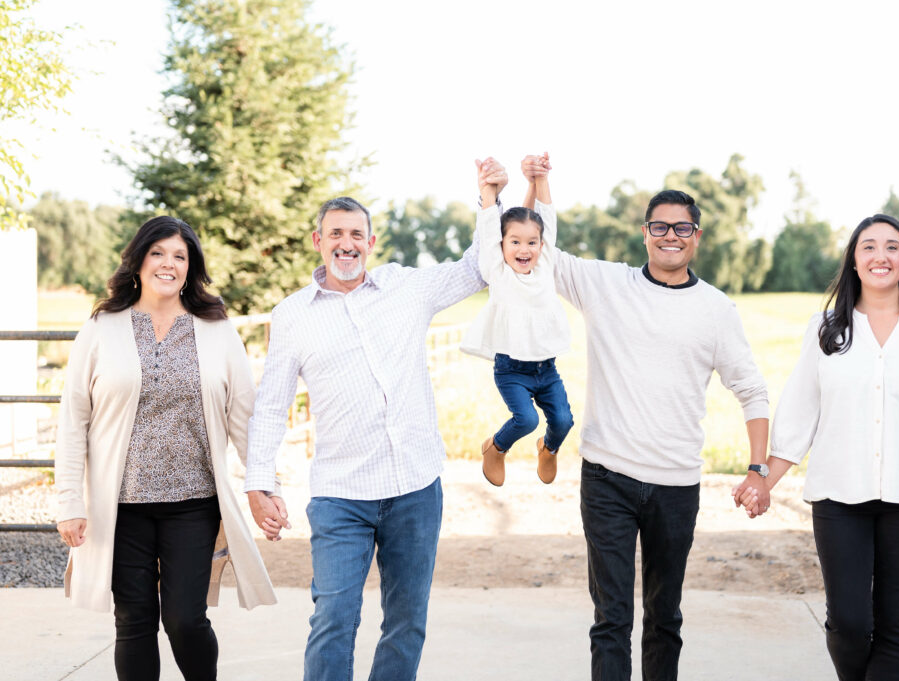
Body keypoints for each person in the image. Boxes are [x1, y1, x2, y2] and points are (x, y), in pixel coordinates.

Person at [243, 166, 503, 681]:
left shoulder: (407, 288)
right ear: (318, 241)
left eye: (356, 234)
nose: (346, 244)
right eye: (335, 234)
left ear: (371, 241)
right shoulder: (293, 314)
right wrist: (258, 482)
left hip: (415, 487)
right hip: (342, 493)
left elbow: (478, 267)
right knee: (334, 620)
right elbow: (271, 405)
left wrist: (489, 201)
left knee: (406, 622)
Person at [522, 155, 771, 680]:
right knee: (610, 618)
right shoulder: (606, 285)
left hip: (676, 486)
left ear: (696, 236)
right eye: (661, 227)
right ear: (645, 233)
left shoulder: (715, 308)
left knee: (664, 618)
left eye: (682, 228)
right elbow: (539, 250)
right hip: (606, 478)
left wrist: (759, 469)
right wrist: (539, 183)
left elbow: (752, 391)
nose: (671, 236)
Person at [737, 214, 899, 680]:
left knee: (896, 628)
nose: (881, 256)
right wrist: (764, 481)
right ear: (854, 262)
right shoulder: (827, 330)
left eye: (892, 247)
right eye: (868, 247)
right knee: (850, 623)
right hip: (839, 498)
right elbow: (798, 415)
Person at [55, 216, 278, 681]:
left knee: (184, 619)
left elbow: (245, 418)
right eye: (158, 253)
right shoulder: (101, 328)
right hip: (120, 506)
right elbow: (73, 420)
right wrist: (69, 503)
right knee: (133, 622)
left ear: (190, 267)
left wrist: (264, 487)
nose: (168, 264)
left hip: (193, 505)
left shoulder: (215, 328)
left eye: (180, 256)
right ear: (138, 261)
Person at [461, 152, 574, 486]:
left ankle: (548, 449)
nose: (525, 249)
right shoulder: (497, 270)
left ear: (541, 245)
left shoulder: (544, 264)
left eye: (531, 242)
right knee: (525, 420)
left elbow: (545, 217)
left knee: (564, 421)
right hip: (511, 369)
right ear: (501, 244)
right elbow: (488, 227)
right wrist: (487, 192)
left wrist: (540, 178)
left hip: (546, 368)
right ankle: (495, 447)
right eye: (514, 242)